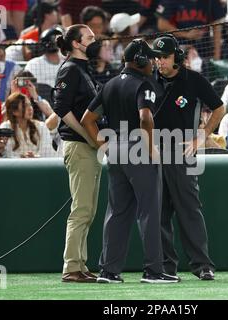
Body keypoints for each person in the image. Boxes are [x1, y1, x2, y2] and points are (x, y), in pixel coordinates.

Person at [81, 39, 179, 284]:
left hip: (115, 149)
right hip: (138, 148)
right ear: (140, 60)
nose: (155, 62)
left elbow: (87, 119)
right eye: (151, 58)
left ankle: (109, 271)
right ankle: (154, 272)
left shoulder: (110, 84)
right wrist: (150, 149)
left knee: (117, 212)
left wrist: (101, 145)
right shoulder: (145, 84)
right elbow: (145, 117)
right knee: (150, 211)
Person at [152, 34, 226, 280]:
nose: (160, 62)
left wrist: (202, 136)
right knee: (158, 211)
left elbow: (219, 107)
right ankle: (165, 268)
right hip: (151, 151)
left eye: (164, 57)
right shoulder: (148, 80)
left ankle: (202, 265)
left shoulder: (193, 79)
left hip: (181, 151)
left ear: (177, 57)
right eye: (157, 57)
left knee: (189, 209)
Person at [53, 24, 102, 283]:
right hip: (79, 145)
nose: (95, 41)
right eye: (89, 37)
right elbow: (61, 107)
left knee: (88, 210)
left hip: (89, 146)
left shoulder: (85, 69)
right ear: (75, 43)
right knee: (81, 209)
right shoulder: (71, 69)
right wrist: (87, 135)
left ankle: (80, 265)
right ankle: (71, 267)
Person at [155, 0, 225, 60]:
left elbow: (217, 26)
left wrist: (217, 56)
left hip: (203, 49)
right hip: (176, 47)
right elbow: (162, 25)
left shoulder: (211, 1)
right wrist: (186, 34)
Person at [0, 92, 57, 158]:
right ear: (14, 112)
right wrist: (21, 158)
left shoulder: (41, 126)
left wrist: (35, 157)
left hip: (38, 166)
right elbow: (5, 154)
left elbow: (48, 152)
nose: (30, 108)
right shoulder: (5, 128)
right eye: (25, 106)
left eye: (30, 105)